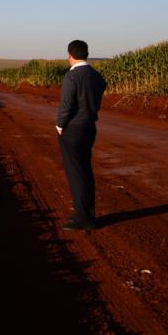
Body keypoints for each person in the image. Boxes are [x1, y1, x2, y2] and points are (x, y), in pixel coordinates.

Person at [56, 40, 107, 231]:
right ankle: (87, 214)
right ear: (87, 53)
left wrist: (60, 125)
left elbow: (66, 106)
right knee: (85, 170)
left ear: (69, 55)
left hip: (73, 130)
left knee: (76, 173)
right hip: (89, 127)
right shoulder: (97, 76)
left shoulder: (72, 77)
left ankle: (82, 218)